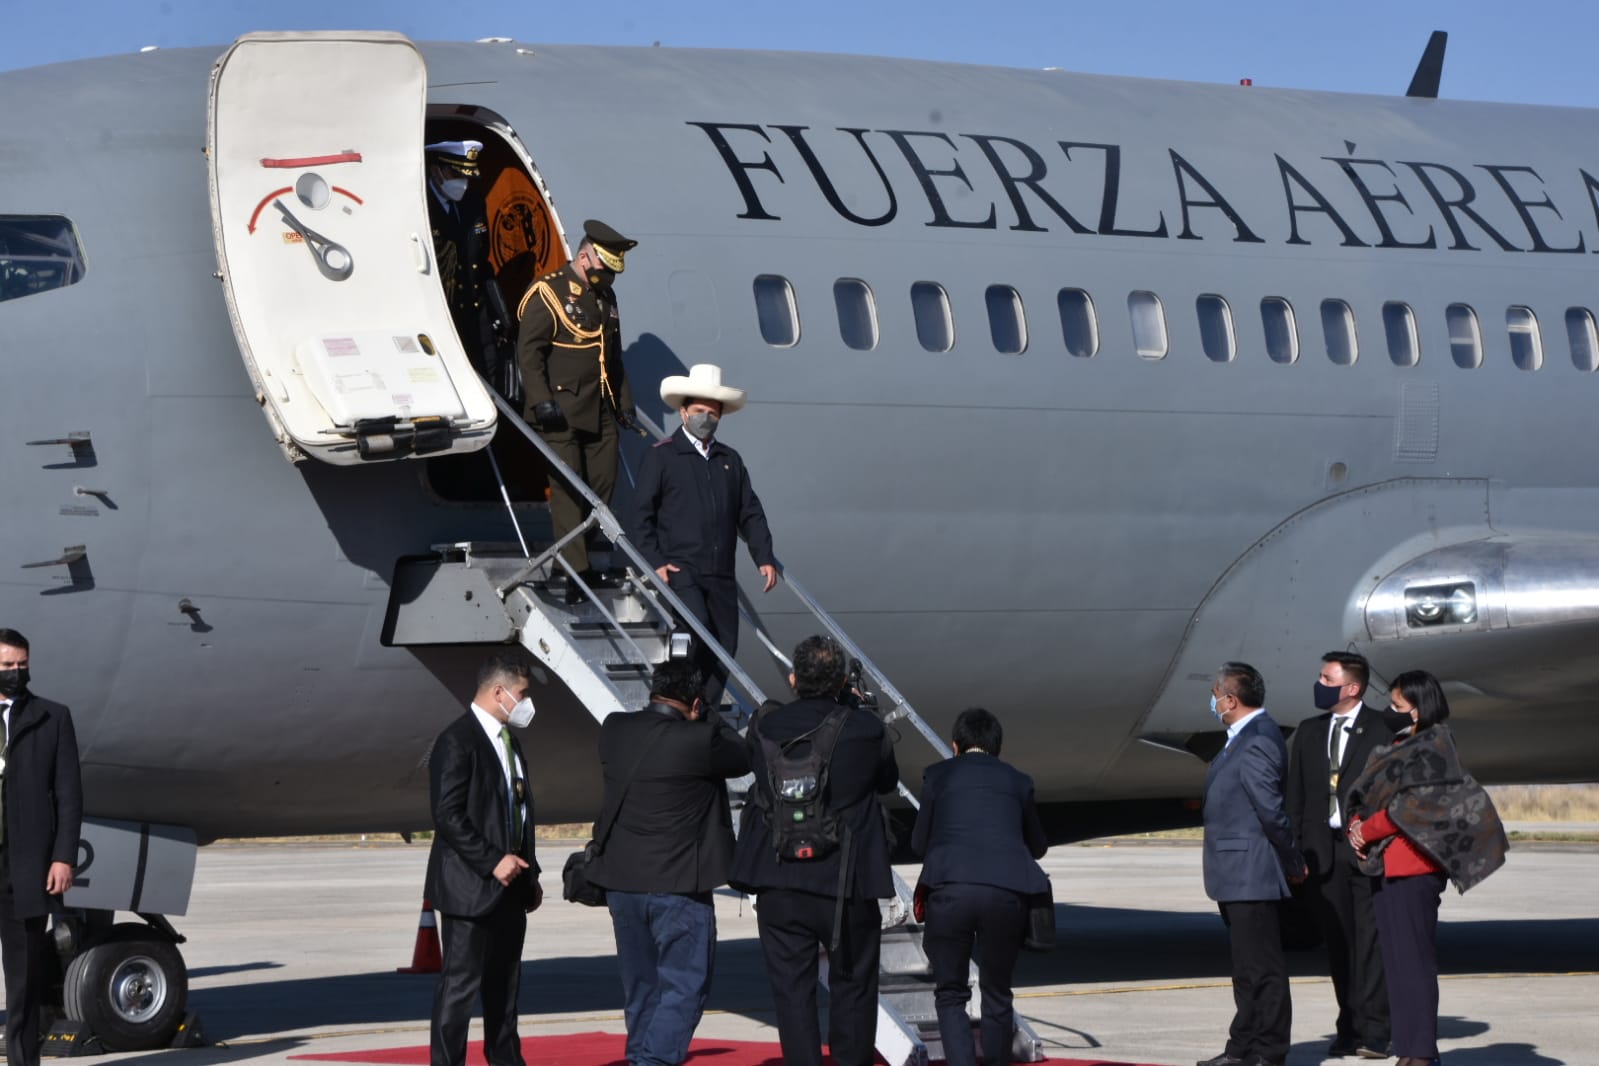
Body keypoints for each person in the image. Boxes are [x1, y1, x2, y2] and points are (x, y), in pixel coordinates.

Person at [727, 635, 900, 1066]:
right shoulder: (866, 729)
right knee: (854, 988)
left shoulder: (765, 727)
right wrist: (857, 708)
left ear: (792, 679)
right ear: (842, 680)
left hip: (779, 878)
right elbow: (885, 781)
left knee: (792, 993)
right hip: (847, 883)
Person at [585, 660, 752, 1066]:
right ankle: (653, 1061)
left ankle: (641, 1054)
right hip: (678, 888)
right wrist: (709, 715)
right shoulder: (700, 740)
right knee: (684, 985)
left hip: (623, 885)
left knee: (641, 986)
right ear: (694, 702)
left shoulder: (615, 729)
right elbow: (743, 756)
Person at [1347, 670, 1508, 1066]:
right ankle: (1408, 1049)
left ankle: (1420, 1054)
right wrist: (1355, 823)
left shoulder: (1434, 745)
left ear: (1417, 710)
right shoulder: (1402, 743)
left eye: (1398, 707)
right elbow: (1371, 797)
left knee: (1414, 964)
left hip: (1414, 866)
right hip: (1388, 865)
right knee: (1398, 966)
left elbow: (1412, 806)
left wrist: (1365, 829)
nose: (1390, 712)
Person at [628, 363, 779, 707]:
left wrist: (764, 556)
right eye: (698, 411)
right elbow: (641, 514)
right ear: (683, 411)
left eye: (713, 412)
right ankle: (676, 704)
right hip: (682, 569)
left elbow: (749, 512)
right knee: (695, 635)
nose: (705, 418)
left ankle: (704, 709)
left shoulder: (730, 460)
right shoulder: (663, 456)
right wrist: (655, 562)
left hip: (721, 572)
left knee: (726, 645)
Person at [911, 707, 1049, 1066]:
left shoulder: (937, 777)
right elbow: (1038, 847)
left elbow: (918, 843)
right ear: (997, 747)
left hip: (950, 891)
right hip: (1005, 894)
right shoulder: (1018, 781)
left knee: (951, 993)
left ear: (955, 746)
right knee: (997, 992)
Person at [424, 653, 542, 1066]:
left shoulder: (510, 742)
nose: (526, 703)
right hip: (470, 888)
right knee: (459, 991)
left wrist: (531, 873)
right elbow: (448, 816)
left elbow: (519, 812)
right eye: (522, 693)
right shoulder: (456, 741)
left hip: (511, 888)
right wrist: (493, 861)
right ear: (499, 692)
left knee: (505, 990)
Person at [516, 219, 639, 589]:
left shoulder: (606, 299)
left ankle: (574, 556)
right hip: (559, 411)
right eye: (605, 268)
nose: (610, 278)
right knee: (569, 488)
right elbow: (529, 353)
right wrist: (540, 401)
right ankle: (576, 571)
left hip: (599, 408)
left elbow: (612, 357)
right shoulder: (549, 292)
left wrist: (624, 404)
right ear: (585, 257)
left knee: (603, 483)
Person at [1285, 651, 1395, 1060]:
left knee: (1372, 945)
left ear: (1351, 687)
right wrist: (1295, 850)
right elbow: (1295, 796)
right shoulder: (1310, 732)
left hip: (1365, 849)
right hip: (1323, 852)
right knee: (1339, 944)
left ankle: (1376, 1031)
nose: (1320, 684)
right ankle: (1347, 1026)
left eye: (1327, 678)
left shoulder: (1382, 729)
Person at [1198, 662, 1307, 1066]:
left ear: (1230, 699)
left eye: (1215, 694)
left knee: (1264, 970)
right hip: (1234, 872)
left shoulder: (1259, 738)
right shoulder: (1239, 738)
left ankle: (1270, 1051)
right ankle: (1242, 1047)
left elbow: (1270, 810)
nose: (1212, 702)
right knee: (1246, 970)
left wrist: (1292, 860)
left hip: (1252, 871)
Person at [0, 629, 82, 1066]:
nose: (16, 673)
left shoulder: (53, 718)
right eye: (7, 666)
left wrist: (63, 855)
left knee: (24, 980)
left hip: (26, 867)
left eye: (21, 665)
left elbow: (69, 796)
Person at [425, 140, 510, 387]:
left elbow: (481, 262)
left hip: (474, 308)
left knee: (489, 376)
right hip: (440, 312)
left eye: (466, 176)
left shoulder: (472, 203)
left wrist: (499, 312)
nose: (462, 183)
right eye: (455, 174)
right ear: (435, 171)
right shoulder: (421, 205)